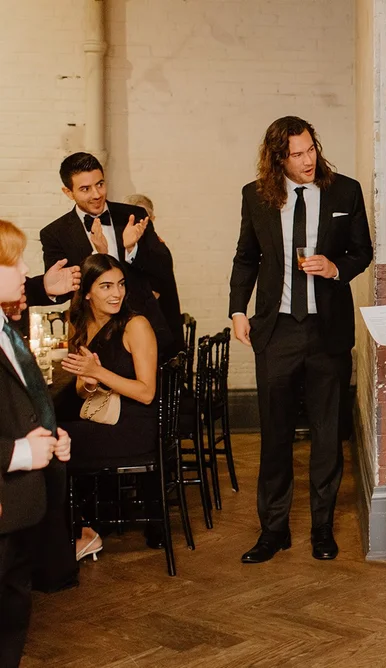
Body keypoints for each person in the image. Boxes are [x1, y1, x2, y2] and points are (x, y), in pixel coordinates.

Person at [229, 116, 373, 564]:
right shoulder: (255, 197)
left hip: (326, 332)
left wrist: (335, 268)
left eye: (311, 149)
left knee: (328, 436)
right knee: (275, 435)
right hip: (276, 332)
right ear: (278, 158)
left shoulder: (344, 191)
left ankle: (322, 530)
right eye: (296, 153)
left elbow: (362, 251)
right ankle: (273, 531)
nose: (308, 159)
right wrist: (238, 309)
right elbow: (246, 256)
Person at [0, 219, 72, 667]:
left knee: (12, 608)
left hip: (19, 503)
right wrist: (22, 452)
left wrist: (49, 432)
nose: (26, 268)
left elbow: (23, 395)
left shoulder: (5, 325)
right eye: (15, 261)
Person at [60, 254, 159, 561]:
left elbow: (146, 393)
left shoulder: (135, 325)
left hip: (134, 425)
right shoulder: (78, 323)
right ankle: (78, 527)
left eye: (120, 284)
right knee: (53, 435)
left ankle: (82, 531)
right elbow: (81, 386)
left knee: (54, 445)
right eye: (105, 286)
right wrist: (89, 380)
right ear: (87, 292)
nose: (116, 293)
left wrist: (99, 373)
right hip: (103, 417)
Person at [40, 152, 179, 357]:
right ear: (68, 192)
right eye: (85, 189)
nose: (96, 194)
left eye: (100, 184)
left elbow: (164, 268)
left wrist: (132, 249)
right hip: (93, 336)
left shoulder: (134, 215)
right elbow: (59, 290)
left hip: (146, 328)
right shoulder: (54, 233)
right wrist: (98, 254)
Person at [121, 193, 184, 356]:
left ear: (152, 219)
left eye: (142, 218)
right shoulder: (129, 249)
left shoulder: (157, 250)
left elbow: (149, 297)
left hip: (161, 339)